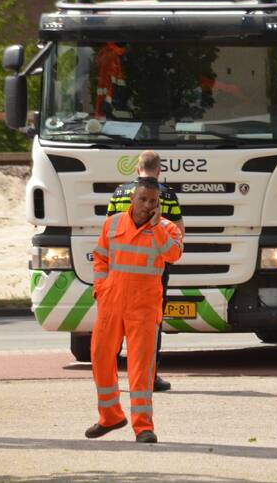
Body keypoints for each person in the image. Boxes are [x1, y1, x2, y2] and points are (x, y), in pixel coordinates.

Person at [86, 177, 183, 443]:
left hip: (144, 307)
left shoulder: (168, 228)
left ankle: (143, 427)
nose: (147, 205)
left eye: (152, 201)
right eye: (142, 199)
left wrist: (157, 227)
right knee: (99, 357)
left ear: (158, 204)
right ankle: (110, 417)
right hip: (111, 302)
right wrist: (101, 288)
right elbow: (101, 257)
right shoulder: (113, 223)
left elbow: (173, 255)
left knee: (141, 368)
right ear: (132, 198)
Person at [107, 150, 184, 393]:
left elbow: (109, 227)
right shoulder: (166, 195)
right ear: (159, 171)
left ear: (136, 169)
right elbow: (178, 231)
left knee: (115, 323)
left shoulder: (120, 192)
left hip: (120, 268)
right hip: (153, 270)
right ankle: (149, 377)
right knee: (150, 324)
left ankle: (110, 376)